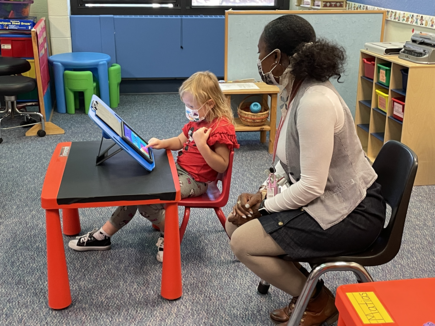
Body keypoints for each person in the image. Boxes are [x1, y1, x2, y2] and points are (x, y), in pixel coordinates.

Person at [225, 15, 386, 326]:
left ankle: (318, 300)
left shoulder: (315, 102)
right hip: (327, 198)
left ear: (277, 57)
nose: (259, 61)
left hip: (352, 212)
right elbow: (289, 165)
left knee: (243, 242)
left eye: (261, 54)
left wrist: (265, 208)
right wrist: (261, 194)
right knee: (235, 226)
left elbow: (311, 185)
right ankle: (308, 289)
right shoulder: (296, 91)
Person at [69, 71, 239, 262]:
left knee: (147, 201)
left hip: (198, 181)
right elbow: (180, 141)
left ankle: (170, 235)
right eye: (186, 105)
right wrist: (163, 142)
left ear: (210, 104)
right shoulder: (197, 121)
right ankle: (104, 235)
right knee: (137, 189)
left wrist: (202, 145)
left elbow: (222, 165)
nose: (189, 109)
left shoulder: (221, 128)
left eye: (192, 106)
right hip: (180, 171)